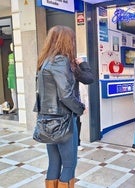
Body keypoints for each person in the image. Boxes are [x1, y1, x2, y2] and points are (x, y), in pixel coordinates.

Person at [34, 25, 85, 188]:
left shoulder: (44, 61)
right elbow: (66, 95)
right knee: (69, 165)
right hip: (63, 120)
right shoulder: (60, 61)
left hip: (48, 121)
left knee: (54, 164)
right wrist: (80, 108)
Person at [74, 57, 94, 151]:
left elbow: (85, 95)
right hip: (72, 107)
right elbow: (89, 78)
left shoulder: (80, 81)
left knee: (78, 124)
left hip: (77, 107)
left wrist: (85, 106)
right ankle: (75, 143)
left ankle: (77, 143)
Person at [7, 42, 17, 113]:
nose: (11, 47)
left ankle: (17, 106)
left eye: (12, 46)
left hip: (16, 74)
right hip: (10, 75)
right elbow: (9, 66)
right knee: (12, 91)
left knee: (17, 90)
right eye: (10, 46)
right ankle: (15, 105)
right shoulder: (10, 55)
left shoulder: (17, 55)